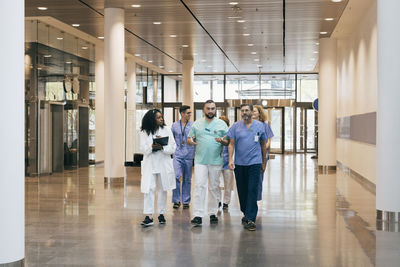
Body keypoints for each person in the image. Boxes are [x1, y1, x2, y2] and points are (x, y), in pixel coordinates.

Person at [187, 100, 229, 226]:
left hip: (216, 160)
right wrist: (191, 142)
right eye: (208, 108)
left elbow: (228, 141)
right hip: (200, 160)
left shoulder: (222, 124)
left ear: (215, 110)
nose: (210, 111)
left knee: (214, 187)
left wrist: (222, 141)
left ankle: (213, 213)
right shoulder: (197, 124)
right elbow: (189, 138)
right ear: (203, 110)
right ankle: (198, 214)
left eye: (213, 108)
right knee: (199, 185)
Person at [227, 104, 267, 231]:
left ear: (251, 112)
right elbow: (231, 144)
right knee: (242, 190)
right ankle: (246, 212)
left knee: (252, 190)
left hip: (254, 163)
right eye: (242, 110)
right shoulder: (235, 126)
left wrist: (264, 162)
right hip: (240, 164)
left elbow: (263, 145)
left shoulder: (260, 126)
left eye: (246, 110)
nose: (244, 112)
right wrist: (230, 159)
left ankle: (250, 218)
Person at [140, 109, 176, 227]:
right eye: (158, 117)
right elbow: (143, 149)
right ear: (152, 120)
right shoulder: (144, 132)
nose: (161, 119)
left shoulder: (166, 130)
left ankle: (161, 214)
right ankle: (148, 216)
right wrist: (152, 146)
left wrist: (162, 147)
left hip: (163, 162)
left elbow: (173, 147)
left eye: (161, 117)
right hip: (150, 163)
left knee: (163, 188)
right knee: (149, 189)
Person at [171, 105, 195, 209]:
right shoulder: (175, 125)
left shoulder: (193, 125)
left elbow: (196, 138)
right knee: (176, 176)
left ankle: (186, 201)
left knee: (187, 178)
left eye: (190, 113)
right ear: (182, 114)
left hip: (189, 155)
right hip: (177, 154)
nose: (190, 115)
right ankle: (176, 200)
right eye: (188, 113)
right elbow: (171, 140)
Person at [253, 105, 274, 201]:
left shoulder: (265, 125)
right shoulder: (249, 124)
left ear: (259, 113)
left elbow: (269, 139)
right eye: (251, 111)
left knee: (259, 177)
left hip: (262, 154)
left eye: (255, 111)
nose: (253, 113)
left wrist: (263, 148)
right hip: (251, 154)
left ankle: (256, 198)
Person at [218, 115, 234, 210]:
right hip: (217, 161)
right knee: (216, 183)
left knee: (228, 183)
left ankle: (226, 202)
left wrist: (231, 160)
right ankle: (218, 200)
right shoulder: (216, 132)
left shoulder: (230, 133)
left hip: (227, 161)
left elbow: (231, 146)